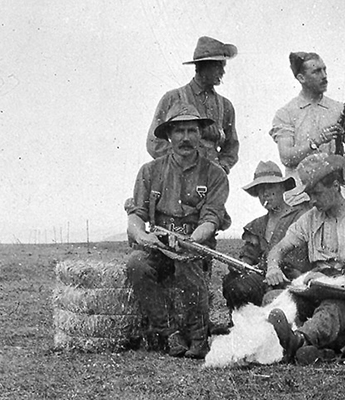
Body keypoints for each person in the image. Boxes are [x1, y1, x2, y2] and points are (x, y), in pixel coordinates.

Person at [126, 103, 230, 359]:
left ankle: (197, 337)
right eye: (179, 131)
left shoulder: (215, 175)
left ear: (200, 135)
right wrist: (142, 236)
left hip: (194, 245)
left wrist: (189, 240)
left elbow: (211, 220)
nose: (185, 137)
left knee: (187, 263)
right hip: (158, 246)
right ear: (169, 136)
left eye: (192, 130)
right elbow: (136, 215)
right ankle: (168, 333)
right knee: (136, 264)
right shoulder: (149, 172)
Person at [264, 153, 345, 364]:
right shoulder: (310, 219)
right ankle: (308, 349)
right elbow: (280, 248)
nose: (312, 201)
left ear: (335, 185)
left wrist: (337, 282)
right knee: (274, 299)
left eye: (317, 193)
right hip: (318, 289)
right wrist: (272, 267)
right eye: (309, 195)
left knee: (332, 306)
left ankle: (299, 340)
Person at [269, 52, 345, 205]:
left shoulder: (337, 108)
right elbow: (286, 156)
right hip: (303, 198)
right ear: (301, 78)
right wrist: (316, 142)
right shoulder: (286, 113)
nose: (324, 76)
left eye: (324, 70)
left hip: (338, 194)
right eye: (316, 71)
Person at [222, 161, 310, 312]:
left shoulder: (301, 218)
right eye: (260, 189)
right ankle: (243, 326)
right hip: (261, 280)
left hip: (292, 282)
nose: (265, 193)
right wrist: (237, 265)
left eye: (270, 187)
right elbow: (247, 258)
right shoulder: (256, 226)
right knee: (233, 284)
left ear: (283, 187)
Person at [147, 36, 239, 174]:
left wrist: (222, 166)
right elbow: (154, 142)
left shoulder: (225, 106)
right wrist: (180, 160)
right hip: (177, 175)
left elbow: (231, 146)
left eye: (223, 67)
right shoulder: (173, 98)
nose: (222, 72)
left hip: (211, 179)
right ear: (203, 67)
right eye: (218, 66)